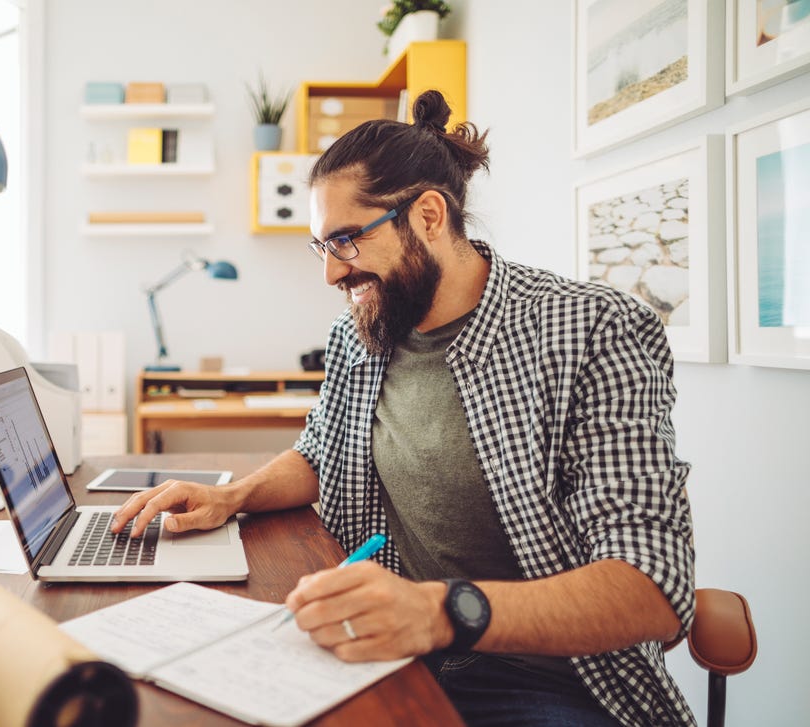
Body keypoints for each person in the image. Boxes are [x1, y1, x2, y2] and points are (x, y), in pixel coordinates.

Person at [111, 90, 695, 727]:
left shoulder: (593, 329)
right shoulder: (361, 333)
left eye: (346, 241)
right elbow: (321, 453)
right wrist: (233, 495)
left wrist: (435, 612)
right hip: (390, 655)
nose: (331, 274)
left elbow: (652, 585)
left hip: (546, 678)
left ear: (428, 216)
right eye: (322, 247)